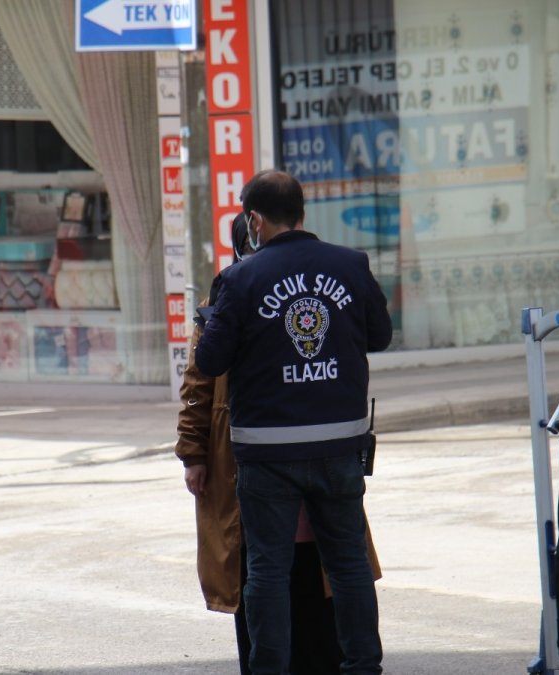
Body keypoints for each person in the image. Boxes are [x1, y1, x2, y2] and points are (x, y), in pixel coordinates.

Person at [194, 170, 392, 674]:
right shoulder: (349, 264)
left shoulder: (240, 279)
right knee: (348, 566)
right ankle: (364, 667)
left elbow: (211, 360)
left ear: (253, 219)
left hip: (267, 453)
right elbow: (380, 335)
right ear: (302, 213)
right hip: (339, 445)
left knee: (267, 572)